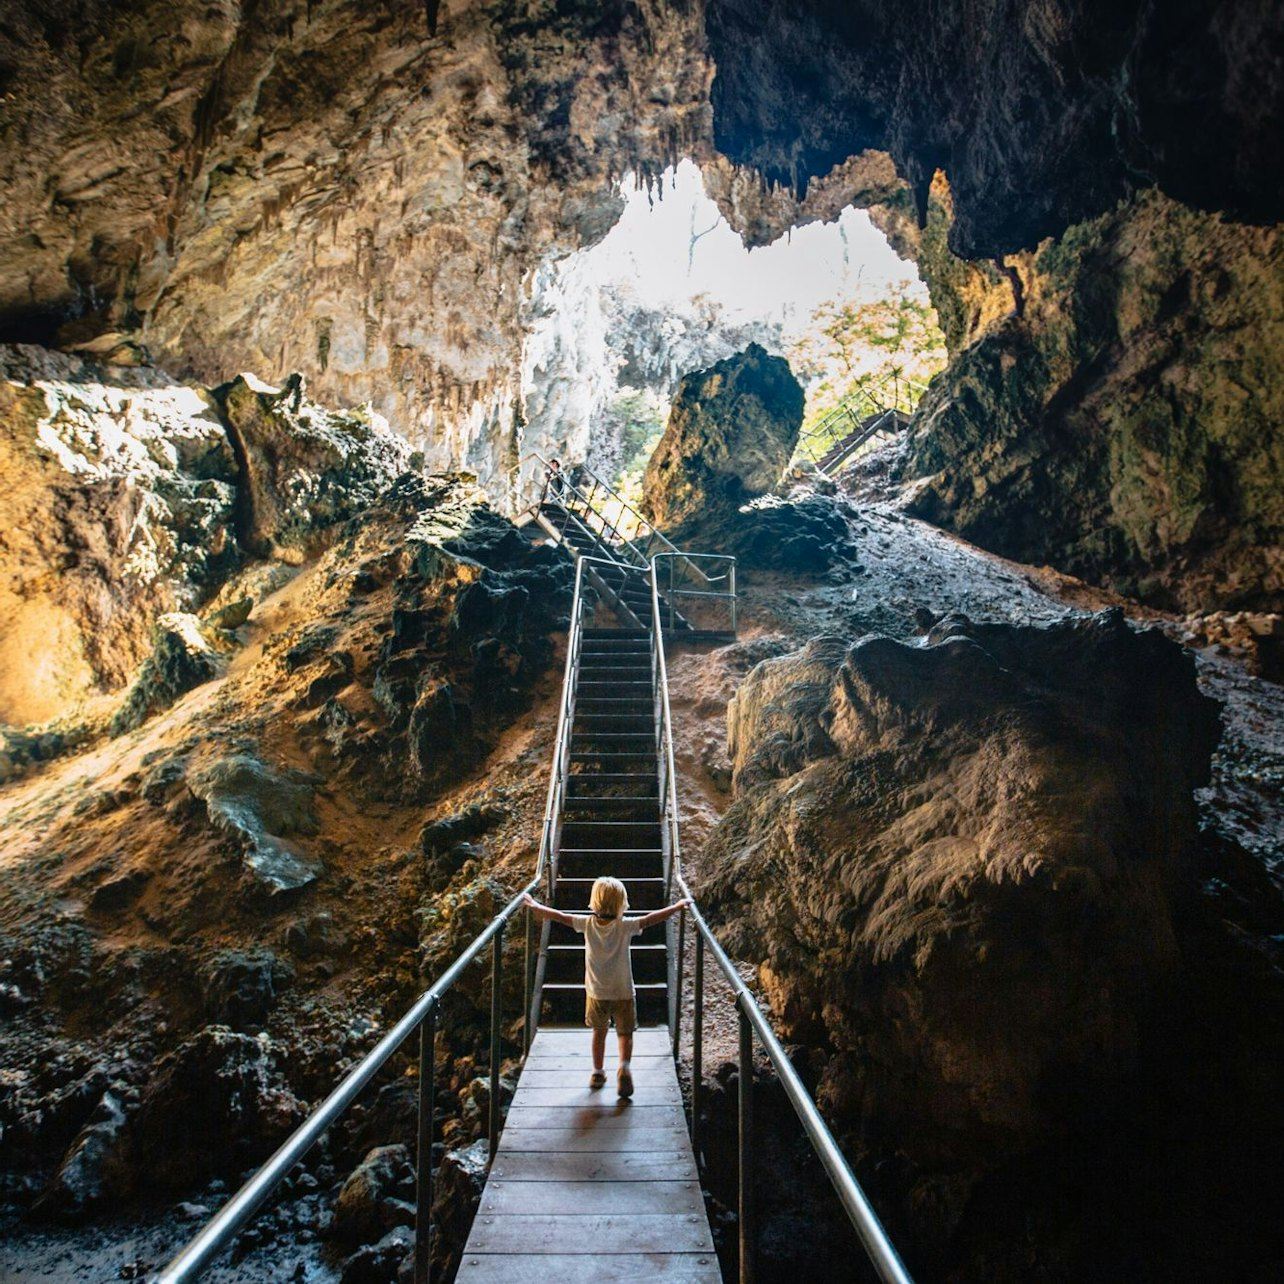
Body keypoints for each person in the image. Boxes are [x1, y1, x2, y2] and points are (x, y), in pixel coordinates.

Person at [523, 878, 689, 1098]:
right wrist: (677, 907)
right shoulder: (624, 926)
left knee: (598, 1033)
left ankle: (598, 1072)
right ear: (622, 903)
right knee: (625, 1033)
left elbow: (560, 917)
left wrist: (536, 906)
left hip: (596, 992)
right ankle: (625, 1066)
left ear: (595, 901)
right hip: (623, 991)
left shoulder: (587, 924)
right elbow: (650, 920)